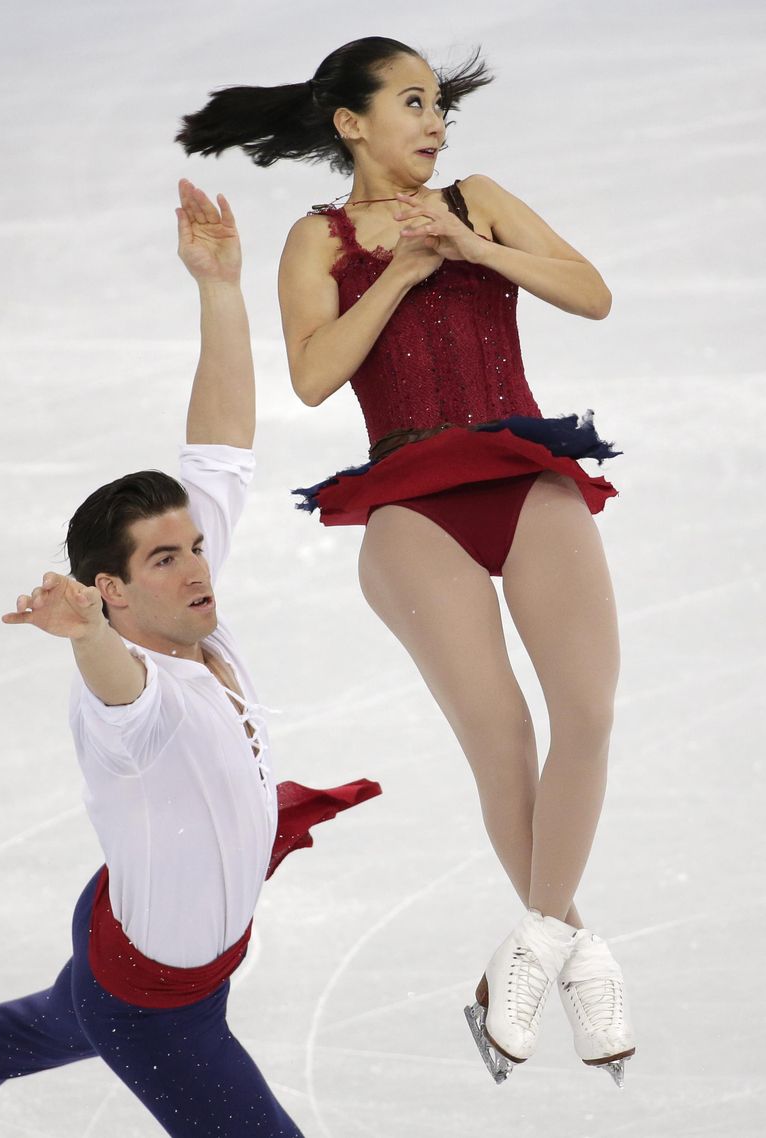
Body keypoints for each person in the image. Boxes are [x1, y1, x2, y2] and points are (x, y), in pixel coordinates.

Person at [178, 38, 635, 1086]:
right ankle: (573, 944)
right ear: (351, 123)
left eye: (439, 106)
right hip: (407, 499)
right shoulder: (317, 237)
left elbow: (591, 292)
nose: (433, 124)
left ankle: (535, 947)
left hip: (524, 472)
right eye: (412, 103)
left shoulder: (477, 198)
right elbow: (311, 374)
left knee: (589, 712)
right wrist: (404, 269)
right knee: (501, 735)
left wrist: (474, 251)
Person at [0, 180, 379, 1137]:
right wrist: (88, 641)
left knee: (11, 1037)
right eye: (166, 558)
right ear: (113, 589)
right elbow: (122, 694)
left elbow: (223, 449)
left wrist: (220, 286)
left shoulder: (187, 603)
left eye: (194, 546)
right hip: (157, 1008)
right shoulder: (135, 698)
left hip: (117, 926)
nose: (199, 567)